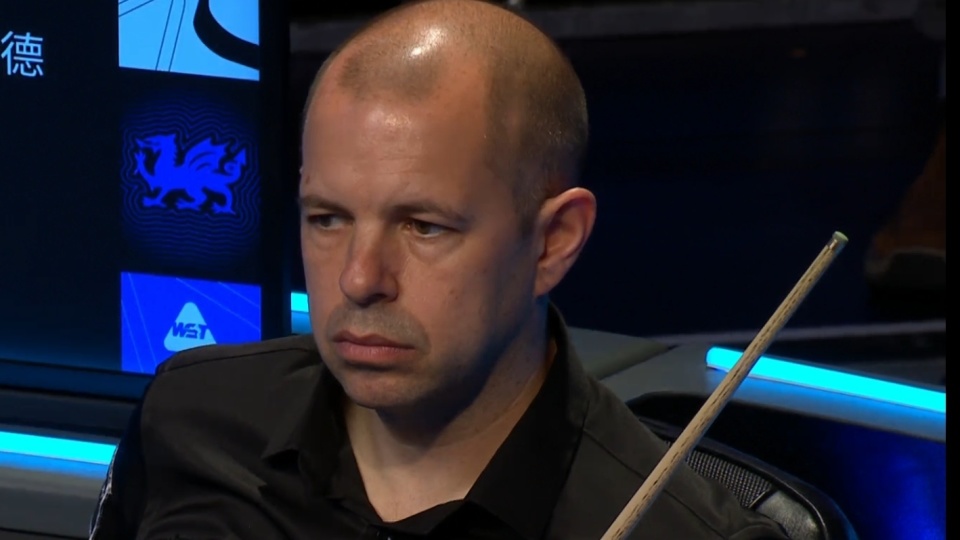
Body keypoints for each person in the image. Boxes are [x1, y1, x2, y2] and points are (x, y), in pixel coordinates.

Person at [89, 1, 789, 538]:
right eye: (328, 218)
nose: (360, 279)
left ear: (554, 241)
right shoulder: (192, 419)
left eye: (423, 226)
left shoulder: (679, 532)